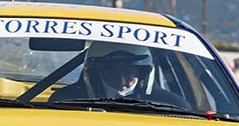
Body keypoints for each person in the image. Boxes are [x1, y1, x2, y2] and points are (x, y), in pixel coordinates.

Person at [49, 42, 189, 107]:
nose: (121, 80)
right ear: (97, 73)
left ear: (143, 73)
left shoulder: (173, 106)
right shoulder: (64, 101)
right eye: (112, 71)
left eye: (128, 72)